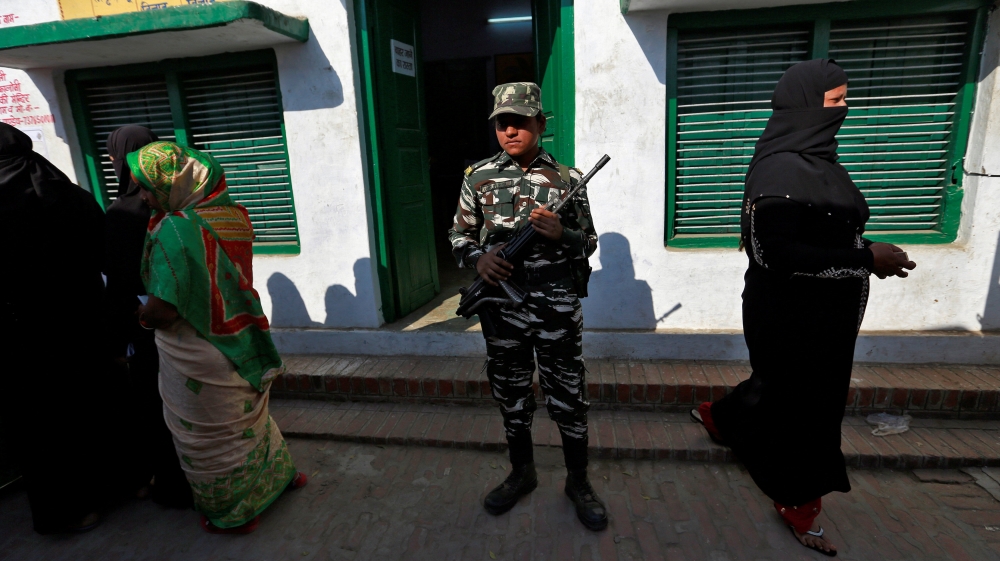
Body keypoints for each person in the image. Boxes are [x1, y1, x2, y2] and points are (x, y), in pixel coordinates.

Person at [690, 59, 917, 556]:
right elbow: (772, 254)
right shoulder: (779, 169)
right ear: (805, 104)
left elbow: (827, 236)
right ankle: (799, 505)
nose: (845, 108)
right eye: (835, 100)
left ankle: (720, 417)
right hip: (787, 315)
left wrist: (873, 255)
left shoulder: (824, 164)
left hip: (829, 316)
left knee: (776, 389)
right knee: (806, 413)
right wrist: (866, 259)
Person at [448, 82, 606, 530]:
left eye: (520, 121)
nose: (511, 130)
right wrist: (478, 259)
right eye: (503, 123)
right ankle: (522, 473)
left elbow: (589, 241)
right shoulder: (477, 176)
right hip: (502, 304)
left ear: (539, 123)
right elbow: (459, 235)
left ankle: (579, 481)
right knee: (511, 393)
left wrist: (563, 234)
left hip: (555, 302)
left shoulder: (568, 179)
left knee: (568, 395)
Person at [128, 141, 306, 534]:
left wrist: (142, 317)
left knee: (207, 437)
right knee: (249, 421)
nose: (142, 196)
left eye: (147, 187)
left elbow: (165, 309)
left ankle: (234, 512)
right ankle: (280, 478)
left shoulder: (176, 228)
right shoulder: (233, 214)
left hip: (195, 346)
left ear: (175, 183)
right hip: (240, 333)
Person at [0, 123, 107, 533]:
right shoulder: (67, 193)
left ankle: (65, 512)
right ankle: (112, 487)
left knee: (40, 423)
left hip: (21, 334)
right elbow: (105, 252)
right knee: (91, 403)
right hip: (81, 321)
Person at [103, 125, 192, 508]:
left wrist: (118, 339)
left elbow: (118, 283)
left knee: (158, 406)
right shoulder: (186, 206)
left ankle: (173, 485)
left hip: (148, 324)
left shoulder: (122, 213)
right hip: (194, 324)